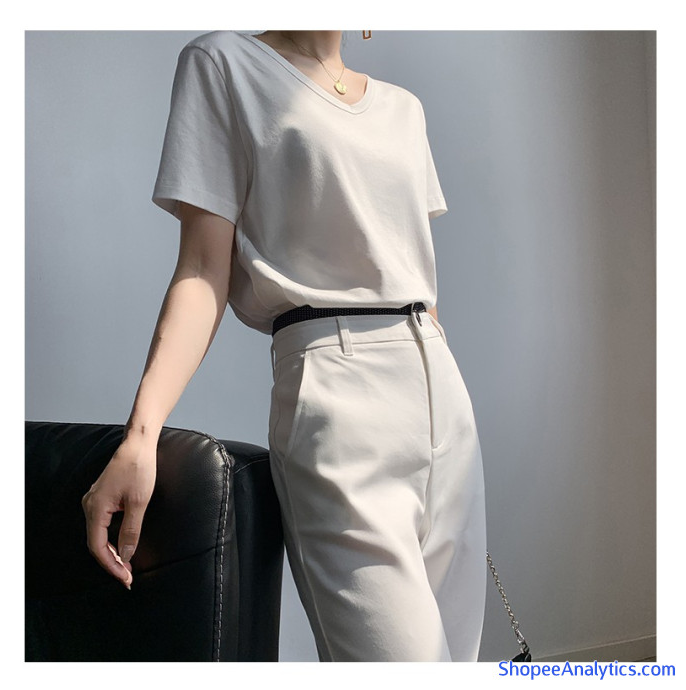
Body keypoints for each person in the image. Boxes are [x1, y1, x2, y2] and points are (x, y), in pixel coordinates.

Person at [81, 30, 487, 662]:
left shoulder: (403, 109)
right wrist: (141, 435)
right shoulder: (224, 64)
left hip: (441, 393)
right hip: (335, 392)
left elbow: (410, 271)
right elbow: (203, 270)